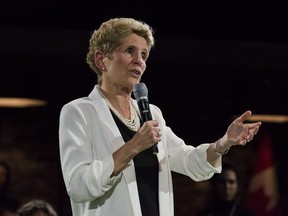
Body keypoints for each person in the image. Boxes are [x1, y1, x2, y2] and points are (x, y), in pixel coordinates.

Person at [58, 17, 262, 216]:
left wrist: (224, 142)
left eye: (144, 54)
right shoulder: (79, 112)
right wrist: (134, 146)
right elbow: (78, 186)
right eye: (130, 51)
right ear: (101, 60)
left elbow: (189, 161)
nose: (139, 61)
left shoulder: (151, 113)